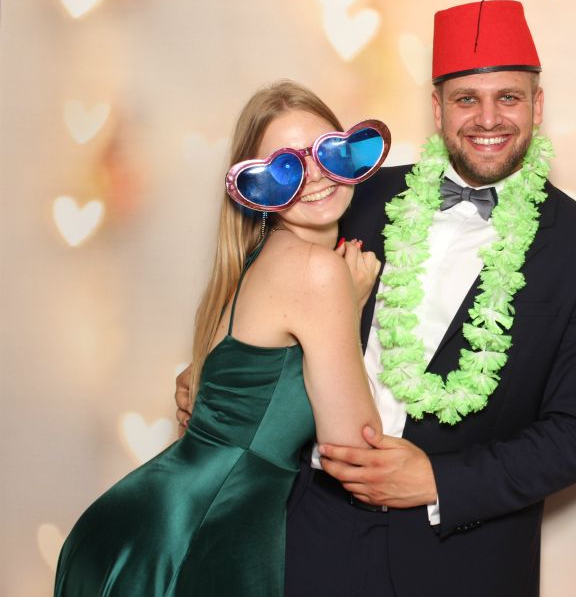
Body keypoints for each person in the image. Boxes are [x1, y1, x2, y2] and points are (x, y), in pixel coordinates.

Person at [178, 0, 576, 597]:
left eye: (509, 97)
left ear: (537, 105)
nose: (488, 118)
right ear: (438, 108)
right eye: (466, 99)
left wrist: (438, 480)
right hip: (308, 534)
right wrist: (217, 379)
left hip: (463, 561)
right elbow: (270, 293)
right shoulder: (349, 196)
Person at [55, 80, 385, 596]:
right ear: (257, 188)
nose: (316, 176)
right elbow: (353, 448)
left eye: (328, 152)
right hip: (193, 534)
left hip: (165, 517)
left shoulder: (257, 259)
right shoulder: (316, 272)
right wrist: (349, 305)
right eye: (286, 168)